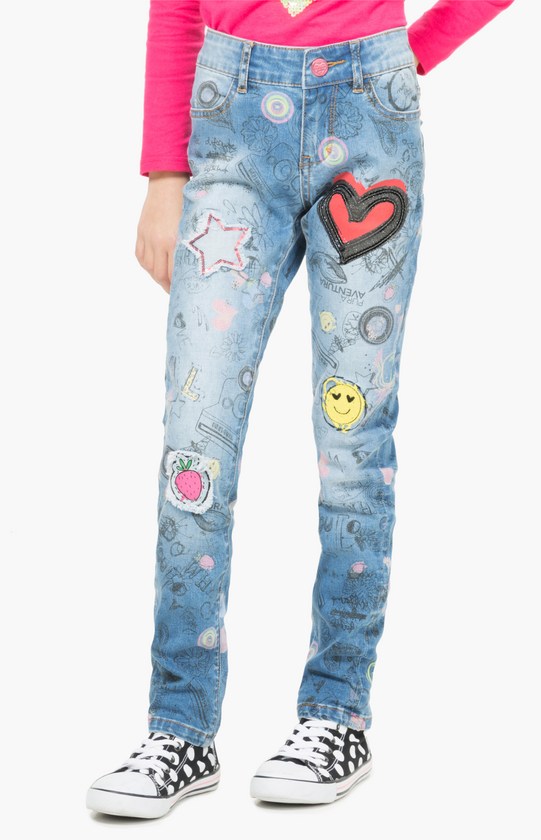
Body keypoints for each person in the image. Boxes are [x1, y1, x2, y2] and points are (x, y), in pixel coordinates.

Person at [86, 0, 515, 817]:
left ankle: (336, 712)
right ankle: (179, 726)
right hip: (230, 125)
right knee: (195, 438)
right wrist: (164, 175)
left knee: (352, 441)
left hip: (369, 125)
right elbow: (175, 8)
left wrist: (410, 54)